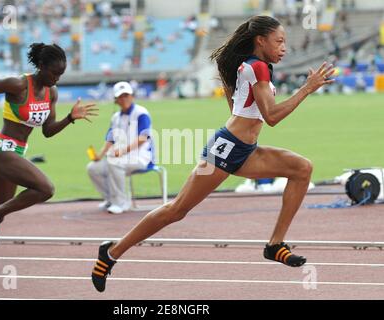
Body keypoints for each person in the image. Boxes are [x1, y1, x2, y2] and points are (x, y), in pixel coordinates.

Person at [90, 15, 335, 292]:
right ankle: (111, 253)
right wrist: (308, 88)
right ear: (261, 40)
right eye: (279, 42)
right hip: (226, 149)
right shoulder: (258, 69)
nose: (284, 48)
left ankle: (275, 244)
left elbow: (237, 109)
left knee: (302, 168)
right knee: (176, 210)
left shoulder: (253, 66)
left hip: (245, 150)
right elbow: (272, 116)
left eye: (285, 43)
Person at [0, 43, 98, 281]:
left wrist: (70, 118)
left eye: (61, 74)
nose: (57, 78)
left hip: (17, 153)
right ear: (41, 66)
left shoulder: (51, 93)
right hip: (0, 149)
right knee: (46, 189)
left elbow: (48, 131)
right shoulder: (19, 84)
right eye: (54, 72)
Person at [87, 81, 154, 214]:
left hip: (142, 158)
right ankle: (110, 199)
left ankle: (121, 203)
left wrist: (123, 151)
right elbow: (110, 139)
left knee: (114, 163)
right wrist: (99, 155)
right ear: (115, 100)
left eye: (126, 95)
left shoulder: (141, 113)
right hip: (122, 157)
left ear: (132, 96)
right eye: (120, 96)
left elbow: (143, 137)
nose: (124, 99)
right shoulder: (115, 118)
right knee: (93, 168)